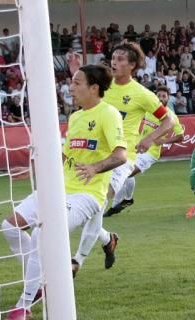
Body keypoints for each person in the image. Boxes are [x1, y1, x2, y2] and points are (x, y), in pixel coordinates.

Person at [3, 64, 126, 320]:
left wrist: (95, 167)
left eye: (77, 82)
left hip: (87, 195)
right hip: (58, 187)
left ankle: (22, 305)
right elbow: (65, 156)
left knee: (41, 235)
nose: (71, 87)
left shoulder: (109, 114)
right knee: (10, 226)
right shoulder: (75, 117)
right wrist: (34, 171)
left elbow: (120, 155)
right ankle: (39, 282)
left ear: (94, 88)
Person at [72, 42, 174, 274]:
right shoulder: (104, 85)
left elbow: (167, 121)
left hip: (121, 159)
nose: (114, 62)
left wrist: (149, 139)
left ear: (132, 65)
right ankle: (108, 239)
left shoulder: (141, 94)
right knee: (85, 208)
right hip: (95, 156)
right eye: (113, 58)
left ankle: (76, 261)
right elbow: (85, 96)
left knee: (95, 206)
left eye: (120, 59)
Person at [105, 86, 184, 216]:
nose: (161, 98)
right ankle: (124, 201)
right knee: (124, 172)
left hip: (151, 153)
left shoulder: (171, 117)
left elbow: (181, 137)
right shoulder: (148, 111)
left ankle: (120, 203)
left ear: (168, 98)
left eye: (164, 96)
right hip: (137, 148)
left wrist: (163, 141)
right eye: (159, 95)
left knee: (126, 173)